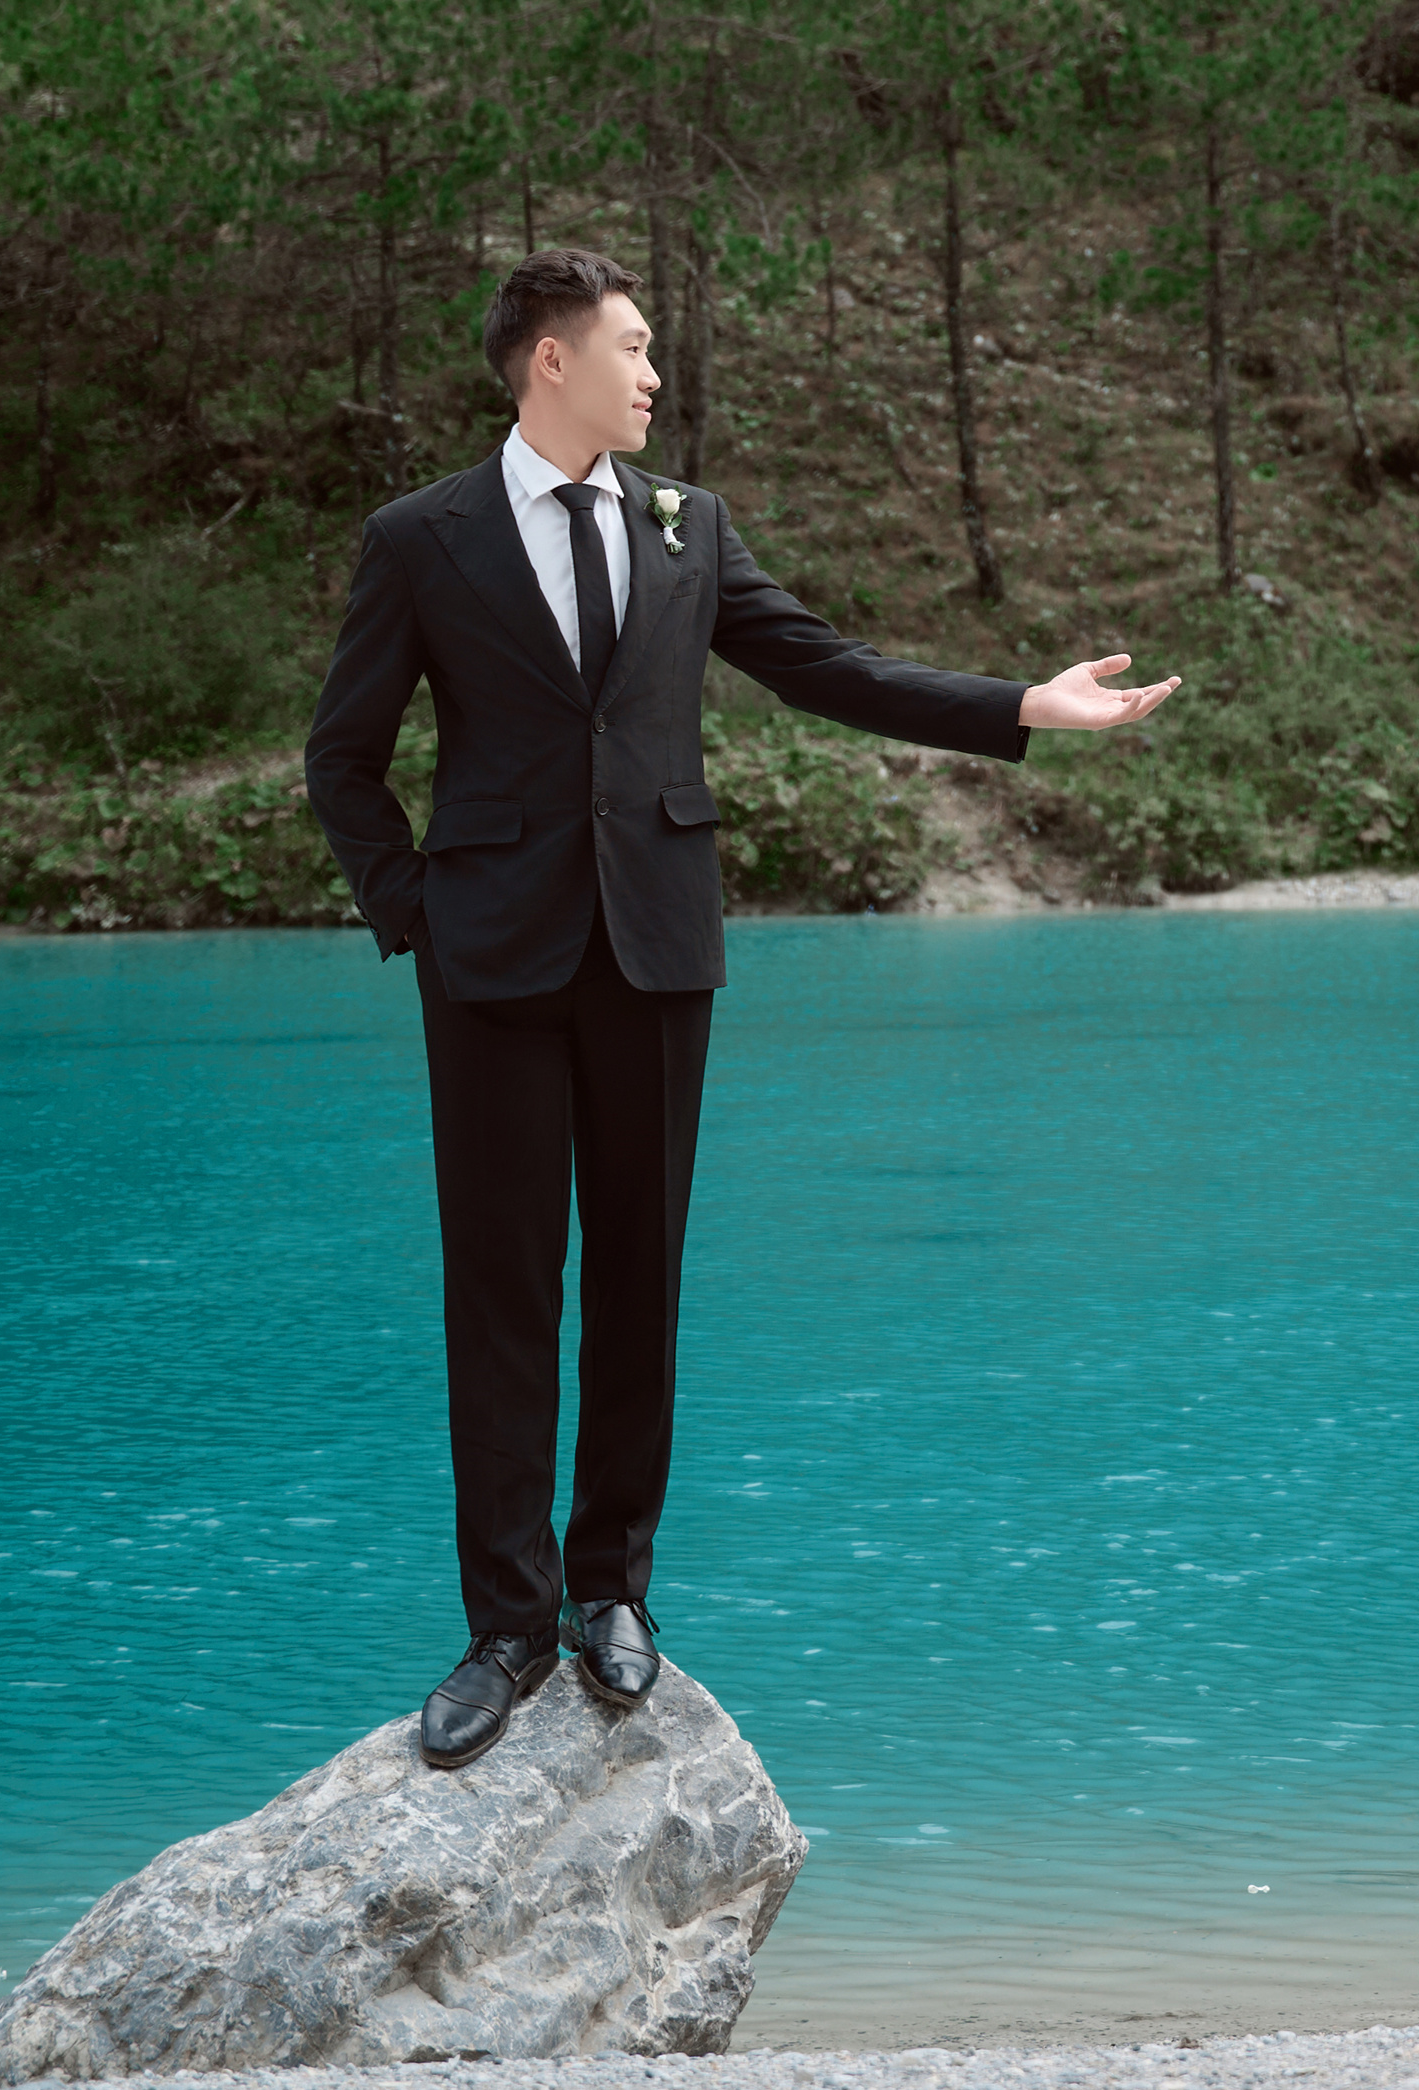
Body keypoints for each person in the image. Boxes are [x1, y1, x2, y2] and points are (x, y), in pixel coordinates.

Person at [305, 247, 1177, 1771]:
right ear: (551, 361)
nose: (655, 375)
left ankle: (611, 1597)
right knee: (501, 1295)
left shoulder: (687, 525)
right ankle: (505, 1629)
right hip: (490, 968)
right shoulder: (423, 538)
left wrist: (1021, 707)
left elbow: (823, 667)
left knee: (638, 1283)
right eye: (634, 348)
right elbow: (344, 757)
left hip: (656, 951)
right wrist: (419, 918)